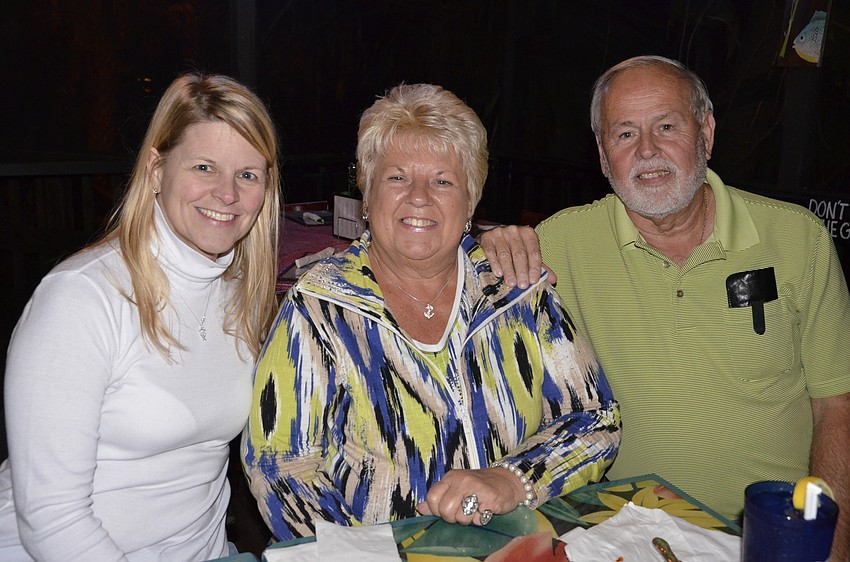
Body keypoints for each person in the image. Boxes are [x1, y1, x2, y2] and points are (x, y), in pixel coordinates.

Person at [480, 55, 850, 560]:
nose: (647, 150)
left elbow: (837, 406)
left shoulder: (797, 239)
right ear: (603, 156)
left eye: (667, 126)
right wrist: (488, 245)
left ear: (706, 134)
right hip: (619, 534)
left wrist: (831, 549)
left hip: (765, 541)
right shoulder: (559, 244)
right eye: (625, 133)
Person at [241, 83, 621, 541]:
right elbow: (280, 466)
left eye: (443, 181)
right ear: (367, 195)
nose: (419, 196)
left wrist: (512, 480)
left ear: (470, 202)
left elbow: (595, 418)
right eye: (397, 178)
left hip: (518, 545)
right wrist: (366, 553)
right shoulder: (321, 306)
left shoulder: (516, 290)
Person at [0, 72, 281, 561]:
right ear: (156, 170)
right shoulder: (81, 299)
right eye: (204, 167)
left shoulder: (242, 294)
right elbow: (51, 519)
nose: (227, 193)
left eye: (248, 175)